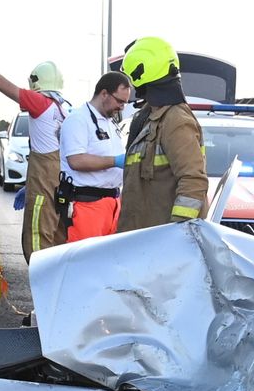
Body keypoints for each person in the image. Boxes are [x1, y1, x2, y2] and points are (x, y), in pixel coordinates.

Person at [0, 52, 70, 262]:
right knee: (57, 236)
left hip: (44, 185)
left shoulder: (40, 102)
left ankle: (42, 286)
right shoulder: (62, 108)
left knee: (37, 237)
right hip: (58, 183)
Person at [116, 37, 208, 231]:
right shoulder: (150, 117)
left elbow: (193, 181)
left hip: (160, 243)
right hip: (140, 237)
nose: (132, 86)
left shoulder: (176, 121)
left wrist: (178, 234)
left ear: (142, 74)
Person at [58, 72, 133, 242]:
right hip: (87, 205)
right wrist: (115, 161)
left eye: (125, 103)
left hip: (112, 204)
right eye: (119, 101)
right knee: (85, 262)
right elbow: (76, 160)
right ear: (104, 93)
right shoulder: (78, 120)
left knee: (106, 262)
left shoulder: (109, 122)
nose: (122, 107)